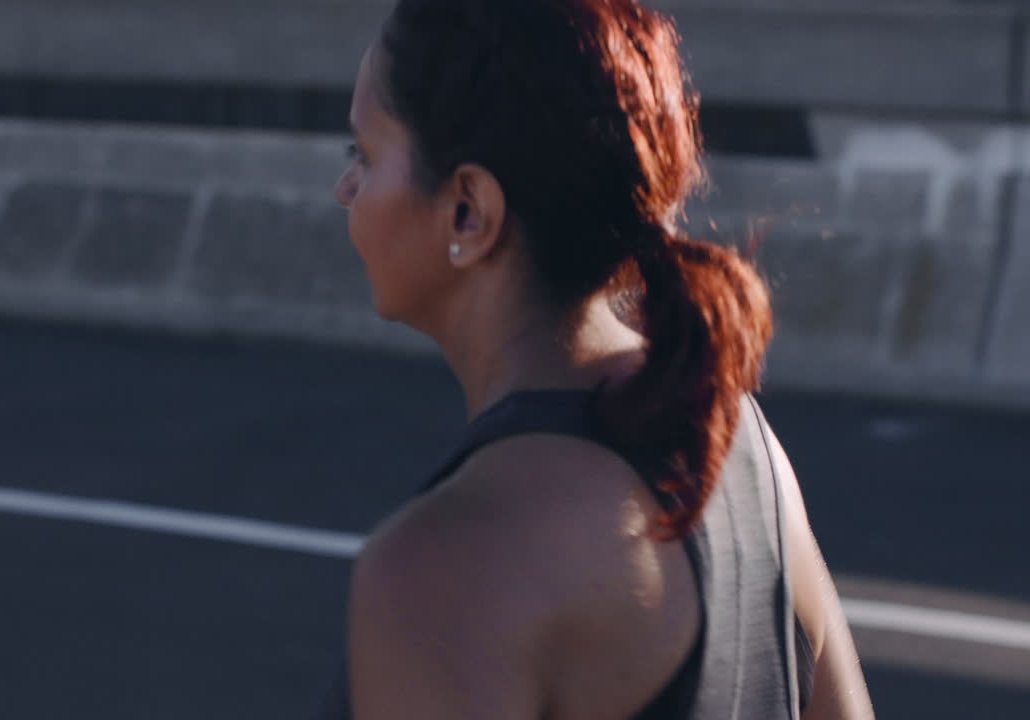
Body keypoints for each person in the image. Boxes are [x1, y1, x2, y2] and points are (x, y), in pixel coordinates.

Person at [325, 0, 875, 717]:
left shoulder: (447, 563)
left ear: (469, 211)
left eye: (361, 155)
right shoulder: (737, 437)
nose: (346, 190)